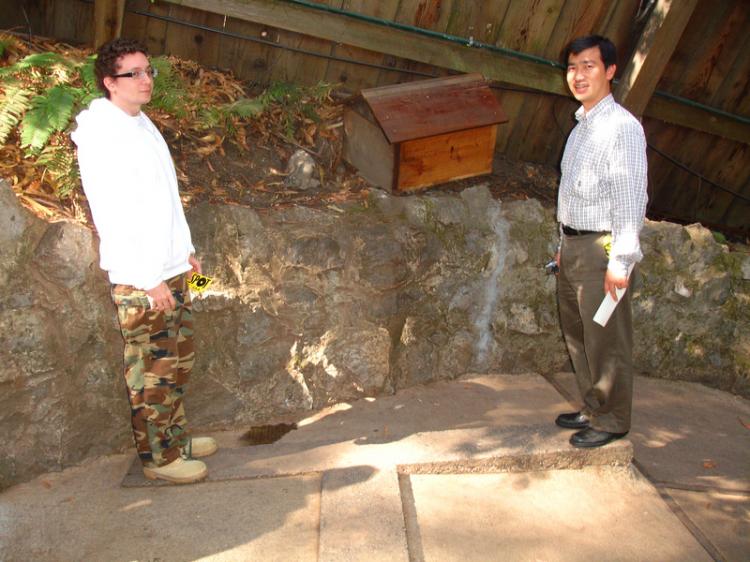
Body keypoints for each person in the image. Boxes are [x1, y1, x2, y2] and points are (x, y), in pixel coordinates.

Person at [72, 38, 216, 483]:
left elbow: (164, 198)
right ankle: (159, 459)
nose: (145, 79)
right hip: (144, 280)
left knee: (180, 360)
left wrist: (186, 253)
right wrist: (147, 278)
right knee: (153, 370)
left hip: (172, 269)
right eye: (133, 73)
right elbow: (113, 214)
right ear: (110, 82)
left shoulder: (140, 122)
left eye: (148, 70)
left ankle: (175, 437)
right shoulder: (103, 135)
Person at [553, 35, 648, 448]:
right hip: (574, 248)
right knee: (579, 336)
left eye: (588, 66)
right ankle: (593, 406)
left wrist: (620, 262)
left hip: (602, 251)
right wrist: (562, 244)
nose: (578, 75)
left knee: (606, 339)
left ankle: (612, 420)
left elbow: (631, 199)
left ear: (610, 71)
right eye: (572, 67)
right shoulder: (581, 129)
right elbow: (571, 195)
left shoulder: (622, 129)